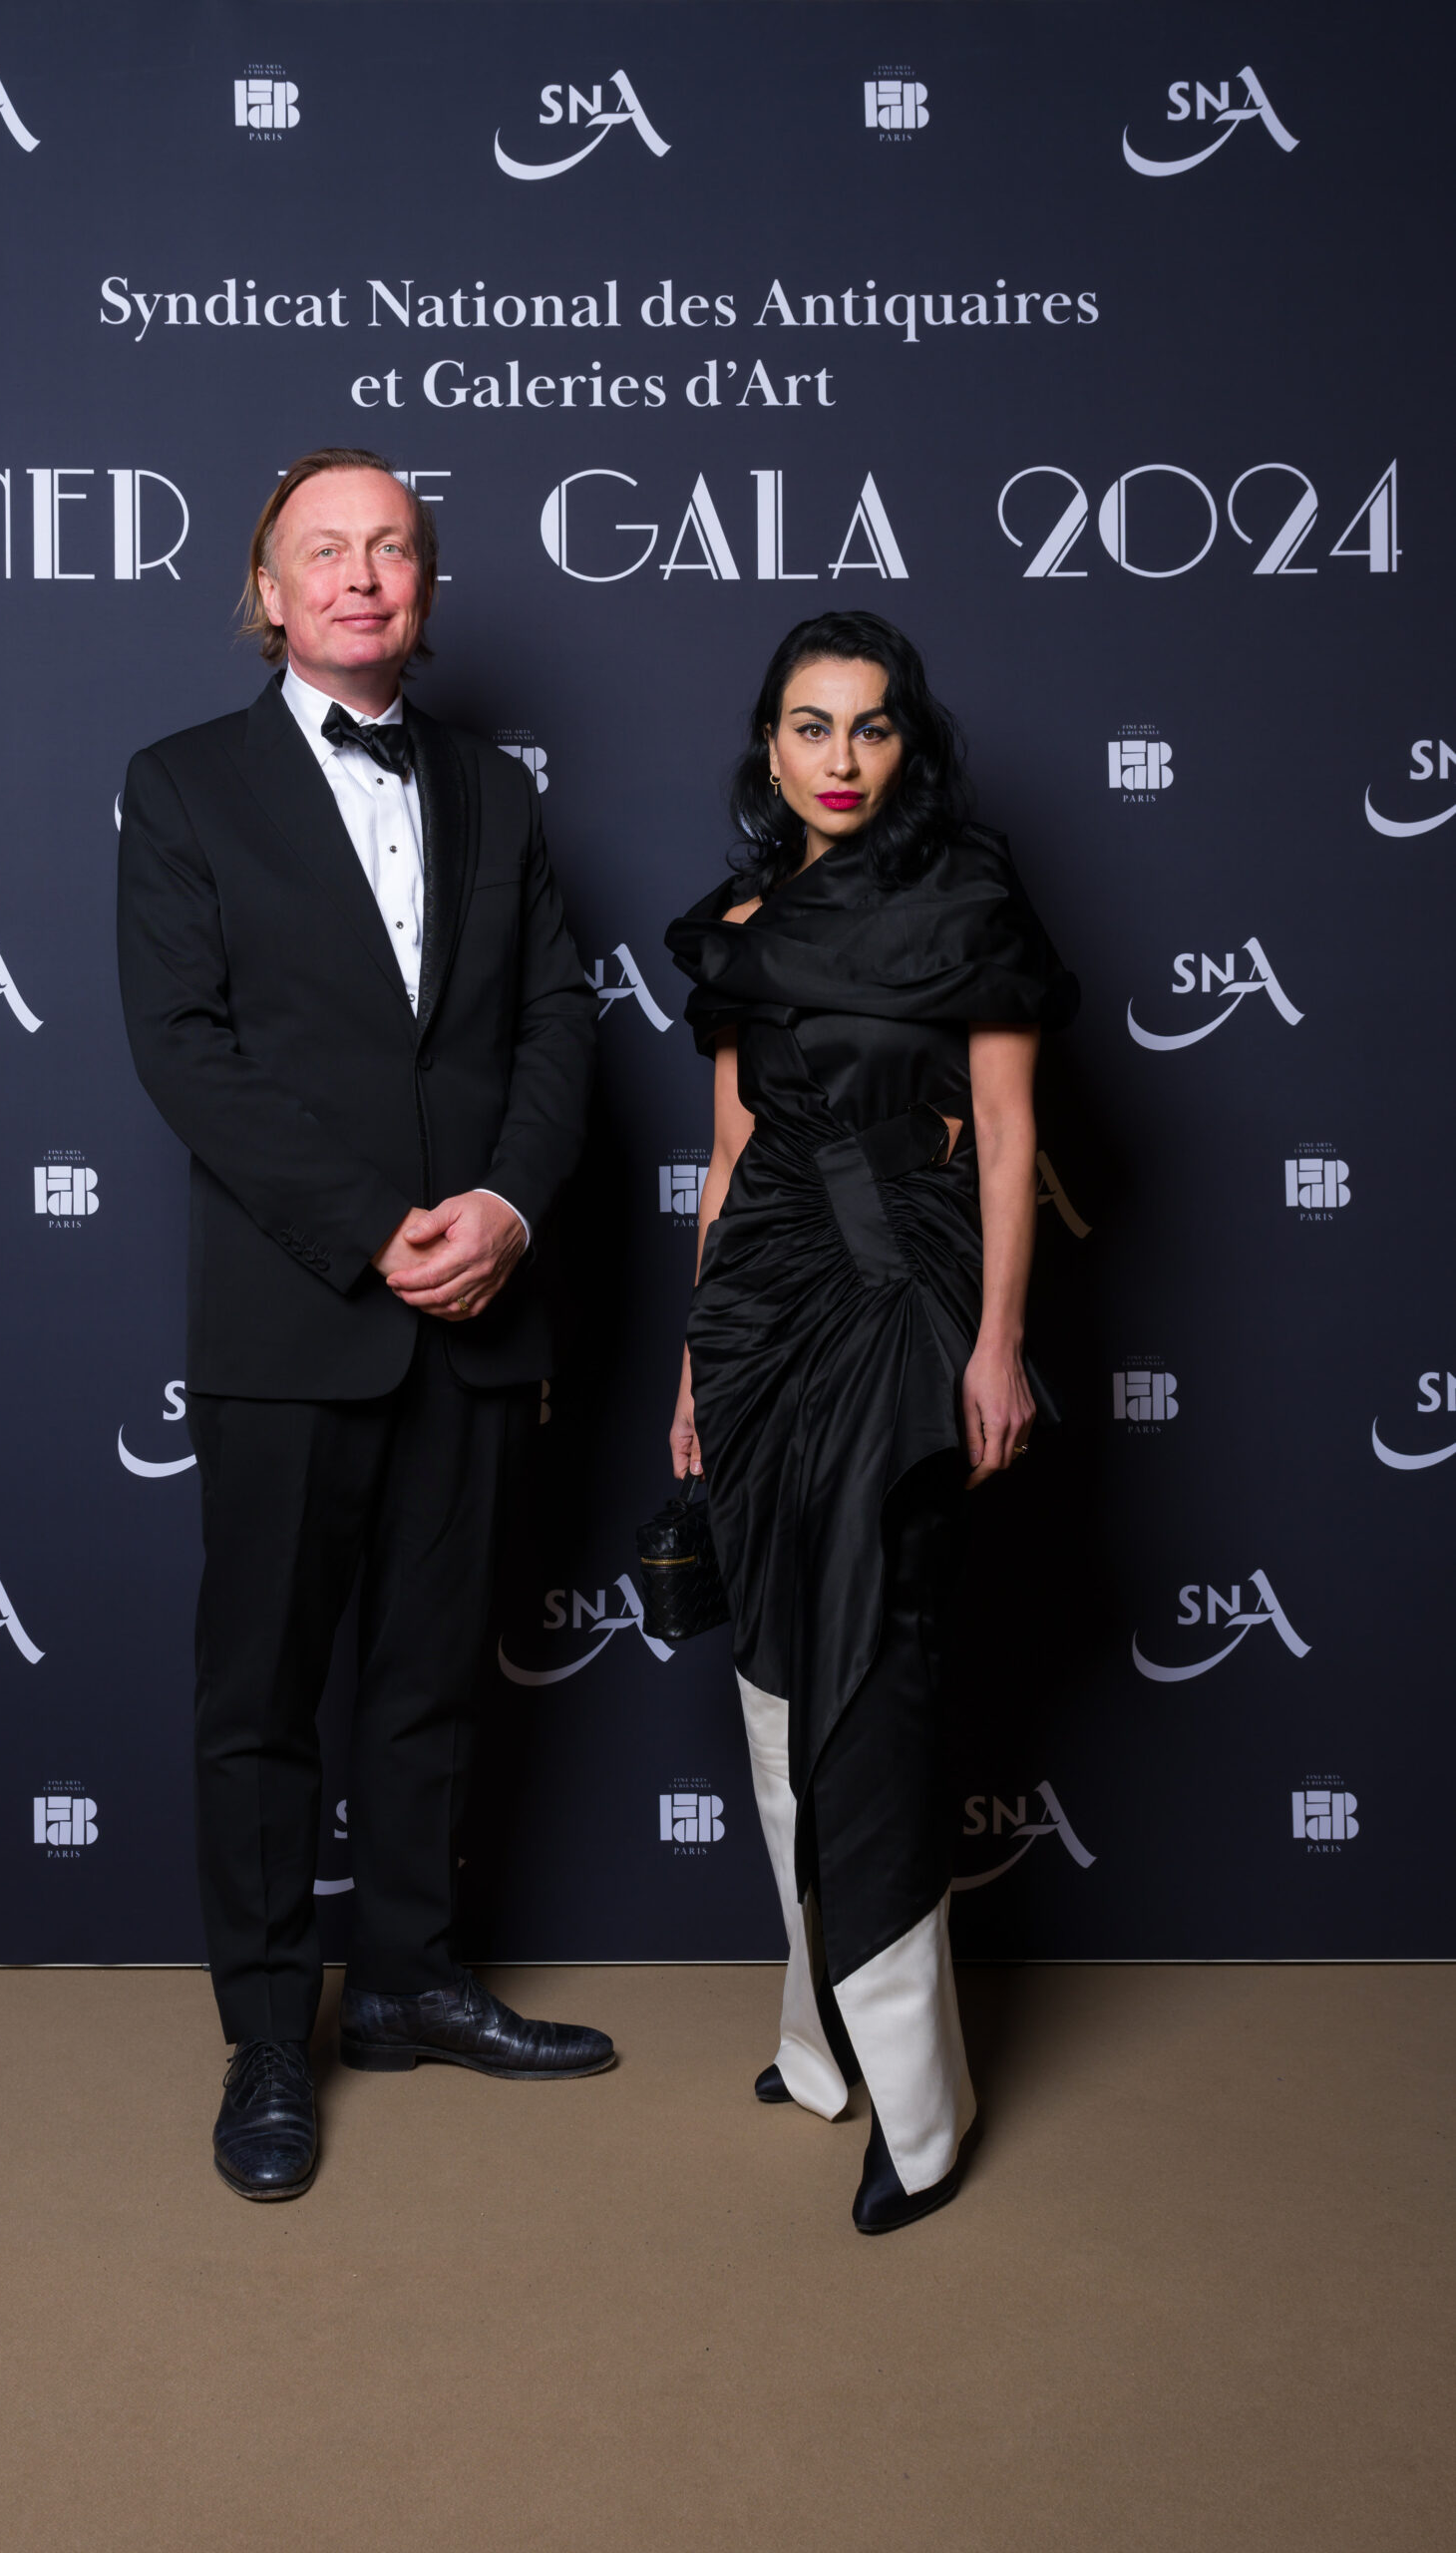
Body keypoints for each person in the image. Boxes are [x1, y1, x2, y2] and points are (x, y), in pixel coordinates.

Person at [118, 446, 610, 2203]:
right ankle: (271, 2035)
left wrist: (507, 1210)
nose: (359, 574)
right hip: (293, 1316)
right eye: (323, 550)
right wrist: (367, 1230)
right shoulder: (182, 785)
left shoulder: (496, 791)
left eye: (391, 547)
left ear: (426, 586)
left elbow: (558, 1021)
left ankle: (406, 1979)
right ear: (266, 595)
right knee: (261, 1696)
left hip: (476, 1310)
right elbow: (185, 1049)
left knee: (428, 1676)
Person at [664, 612, 1077, 2234]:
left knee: (875, 1670)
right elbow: (726, 1158)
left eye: (872, 726)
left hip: (905, 1307)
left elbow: (1006, 1138)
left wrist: (998, 1348)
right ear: (769, 746)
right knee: (776, 1666)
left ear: (912, 747)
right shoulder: (740, 928)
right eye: (810, 725)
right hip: (760, 1320)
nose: (840, 758)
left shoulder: (969, 903)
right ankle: (821, 2030)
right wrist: (692, 1365)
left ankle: (922, 2111)